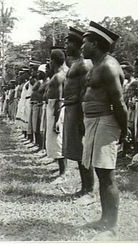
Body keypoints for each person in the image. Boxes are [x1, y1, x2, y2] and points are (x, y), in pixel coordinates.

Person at [81, 21, 128, 230]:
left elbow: (119, 102)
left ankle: (112, 227)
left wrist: (124, 131)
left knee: (106, 175)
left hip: (105, 122)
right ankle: (104, 220)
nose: (82, 47)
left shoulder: (108, 66)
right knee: (100, 172)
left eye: (86, 43)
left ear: (96, 44)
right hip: (94, 122)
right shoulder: (97, 64)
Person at [62, 27, 94, 196]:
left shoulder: (83, 65)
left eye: (68, 43)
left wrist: (82, 118)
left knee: (83, 151)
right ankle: (84, 187)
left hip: (78, 110)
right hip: (70, 108)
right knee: (77, 150)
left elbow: (84, 92)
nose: (66, 46)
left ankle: (88, 189)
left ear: (76, 44)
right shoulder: (76, 63)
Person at [45, 49, 68, 178]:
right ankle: (61, 170)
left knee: (58, 139)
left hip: (56, 108)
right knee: (57, 139)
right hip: (55, 107)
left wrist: (57, 119)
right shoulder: (62, 73)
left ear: (53, 61)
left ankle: (63, 173)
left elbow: (59, 99)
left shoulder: (59, 76)